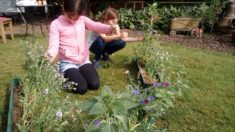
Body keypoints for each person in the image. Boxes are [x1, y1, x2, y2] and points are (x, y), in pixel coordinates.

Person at [44, 0, 119, 94]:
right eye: (70, 16)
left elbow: (96, 26)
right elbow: (54, 45)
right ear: (64, 9)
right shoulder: (56, 24)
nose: (72, 20)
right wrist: (50, 55)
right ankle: (61, 76)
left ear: (81, 14)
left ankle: (76, 74)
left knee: (94, 84)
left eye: (76, 18)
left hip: (83, 61)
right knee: (81, 88)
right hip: (68, 63)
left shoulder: (82, 20)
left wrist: (110, 28)